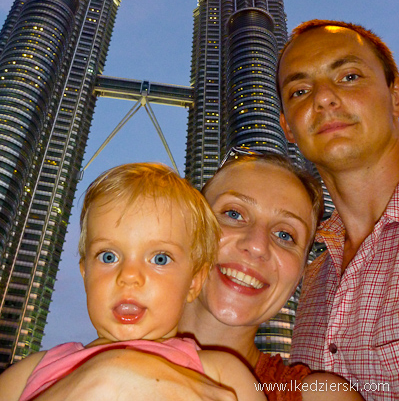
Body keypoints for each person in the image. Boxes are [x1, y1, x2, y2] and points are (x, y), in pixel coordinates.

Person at [12, 153, 364, 401]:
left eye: (286, 234)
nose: (257, 246)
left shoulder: (317, 395)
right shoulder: (40, 368)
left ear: (303, 268)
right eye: (233, 213)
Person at [0, 162, 265, 401]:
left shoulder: (223, 373)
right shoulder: (30, 371)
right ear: (85, 272)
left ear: (194, 282)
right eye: (108, 256)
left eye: (160, 259)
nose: (128, 276)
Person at [277, 19, 399, 400]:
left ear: (395, 97)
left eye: (348, 76)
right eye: (299, 90)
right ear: (288, 129)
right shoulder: (313, 274)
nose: (322, 98)